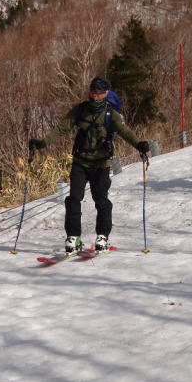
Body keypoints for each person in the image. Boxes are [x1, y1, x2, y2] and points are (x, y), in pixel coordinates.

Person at [29, 77, 150, 253]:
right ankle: (73, 237)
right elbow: (62, 128)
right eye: (93, 92)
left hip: (101, 164)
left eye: (99, 93)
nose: (95, 96)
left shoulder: (111, 115)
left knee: (101, 201)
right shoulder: (80, 110)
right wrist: (43, 143)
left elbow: (125, 132)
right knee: (73, 199)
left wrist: (139, 144)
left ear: (106, 93)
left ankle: (102, 236)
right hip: (80, 162)